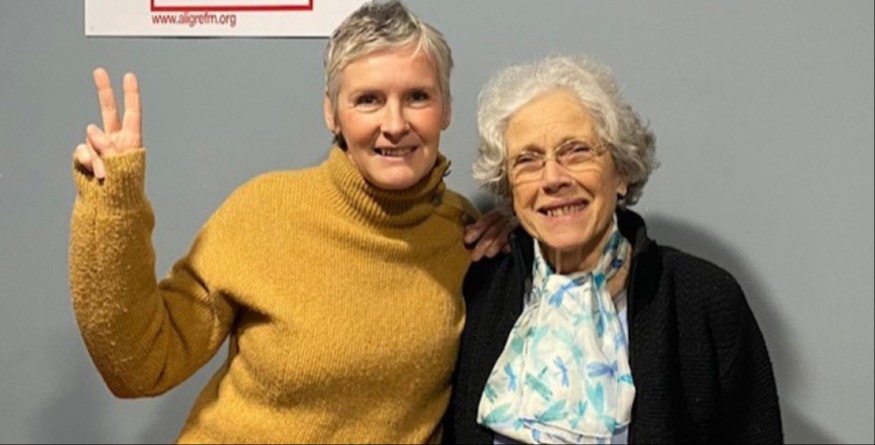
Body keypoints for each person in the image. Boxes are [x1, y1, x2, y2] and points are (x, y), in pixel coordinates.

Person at [68, 1, 512, 443]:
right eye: (368, 100)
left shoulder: (467, 236)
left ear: (446, 109)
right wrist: (113, 205)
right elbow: (141, 365)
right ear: (332, 113)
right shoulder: (263, 212)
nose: (394, 124)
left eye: (417, 97)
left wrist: (521, 234)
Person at [444, 55, 783, 444]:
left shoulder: (703, 299)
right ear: (509, 189)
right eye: (528, 161)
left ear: (621, 171)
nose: (552, 178)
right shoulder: (480, 289)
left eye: (576, 151)